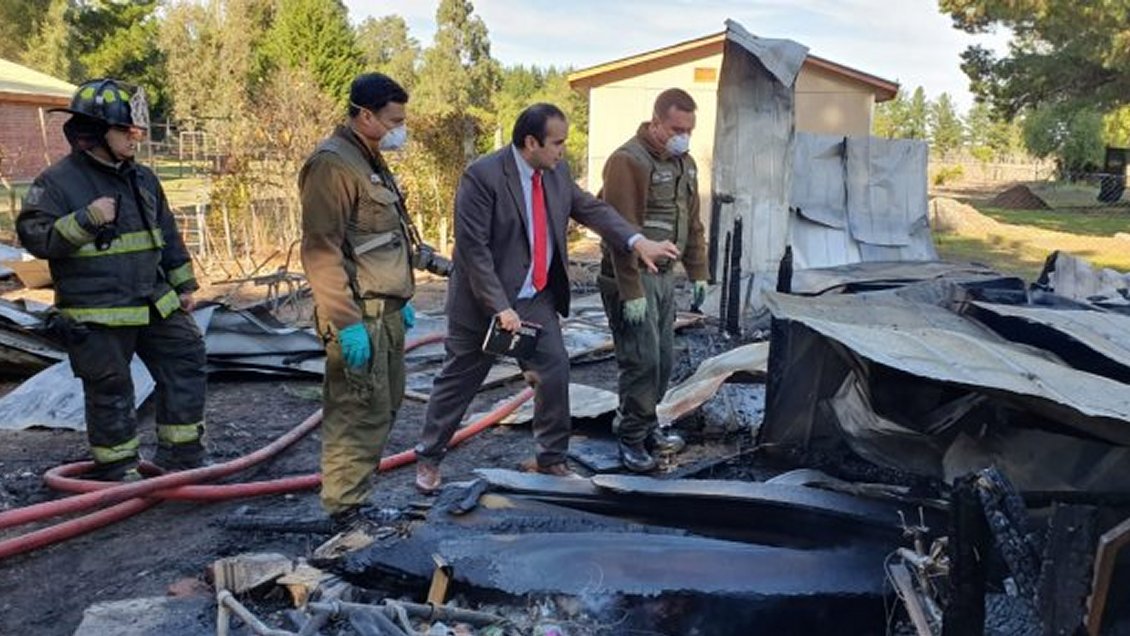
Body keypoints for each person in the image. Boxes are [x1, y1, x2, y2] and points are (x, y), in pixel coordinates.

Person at [414, 103, 681, 493]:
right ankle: (429, 457)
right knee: (460, 380)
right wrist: (500, 307)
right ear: (530, 142)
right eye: (557, 143)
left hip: (534, 297)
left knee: (554, 371)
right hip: (481, 301)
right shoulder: (483, 177)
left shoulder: (556, 174)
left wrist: (637, 241)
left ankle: (551, 459)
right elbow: (474, 252)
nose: (562, 150)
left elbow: (592, 209)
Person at [17, 78, 207, 482]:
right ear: (94, 131)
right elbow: (35, 238)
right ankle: (119, 470)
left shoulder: (142, 178)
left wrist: (184, 285)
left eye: (136, 129)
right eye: (127, 130)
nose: (135, 137)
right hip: (96, 311)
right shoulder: (57, 183)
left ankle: (182, 460)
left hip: (153, 300)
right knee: (110, 389)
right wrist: (86, 220)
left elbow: (166, 233)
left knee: (186, 358)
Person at [299, 72, 418, 530]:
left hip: (384, 309)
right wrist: (345, 321)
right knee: (355, 412)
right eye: (393, 120)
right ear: (365, 115)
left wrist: (400, 292)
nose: (399, 129)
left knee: (383, 409)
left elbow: (381, 239)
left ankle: (355, 500)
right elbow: (321, 250)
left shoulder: (367, 158)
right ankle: (342, 512)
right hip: (358, 315)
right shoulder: (332, 165)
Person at [598, 88, 709, 473]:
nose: (684, 136)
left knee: (661, 360)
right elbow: (618, 231)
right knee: (640, 361)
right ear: (656, 122)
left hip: (663, 279)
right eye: (677, 128)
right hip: (631, 279)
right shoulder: (627, 161)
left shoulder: (685, 163)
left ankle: (645, 426)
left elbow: (692, 223)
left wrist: (698, 272)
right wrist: (629, 291)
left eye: (690, 129)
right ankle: (630, 439)